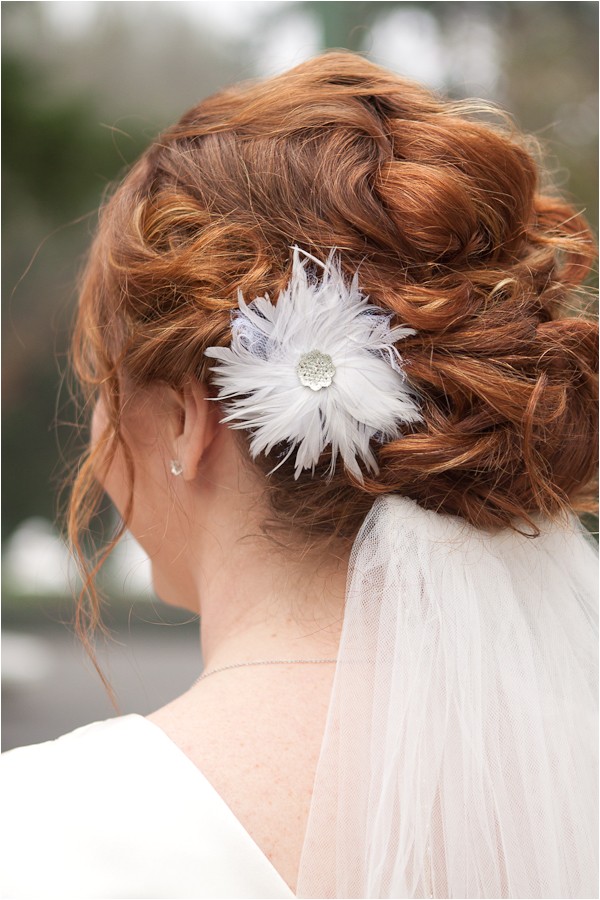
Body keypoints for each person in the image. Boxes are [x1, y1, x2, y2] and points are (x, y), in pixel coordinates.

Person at [1, 51, 598, 900]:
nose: (95, 434)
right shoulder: (573, 792)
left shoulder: (37, 835)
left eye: (102, 384)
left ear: (184, 417)